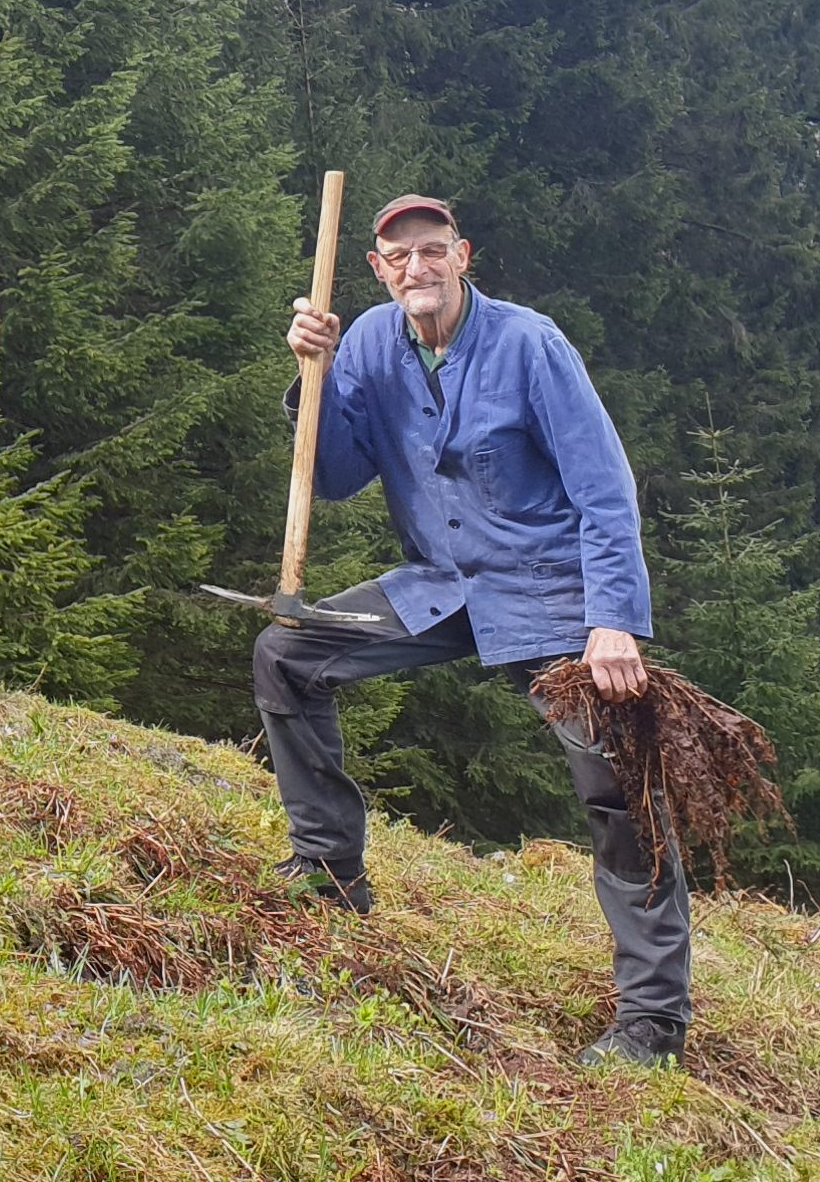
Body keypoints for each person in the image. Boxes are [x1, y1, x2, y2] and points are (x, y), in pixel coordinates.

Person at [258, 193, 690, 1069]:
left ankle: (651, 1020)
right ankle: (329, 873)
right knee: (288, 654)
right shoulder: (372, 343)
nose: (415, 268)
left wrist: (611, 620)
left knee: (617, 794)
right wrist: (311, 375)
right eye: (397, 258)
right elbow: (336, 474)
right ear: (377, 271)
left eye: (430, 251)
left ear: (462, 256)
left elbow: (604, 488)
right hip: (437, 585)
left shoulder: (531, 344)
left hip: (550, 593)